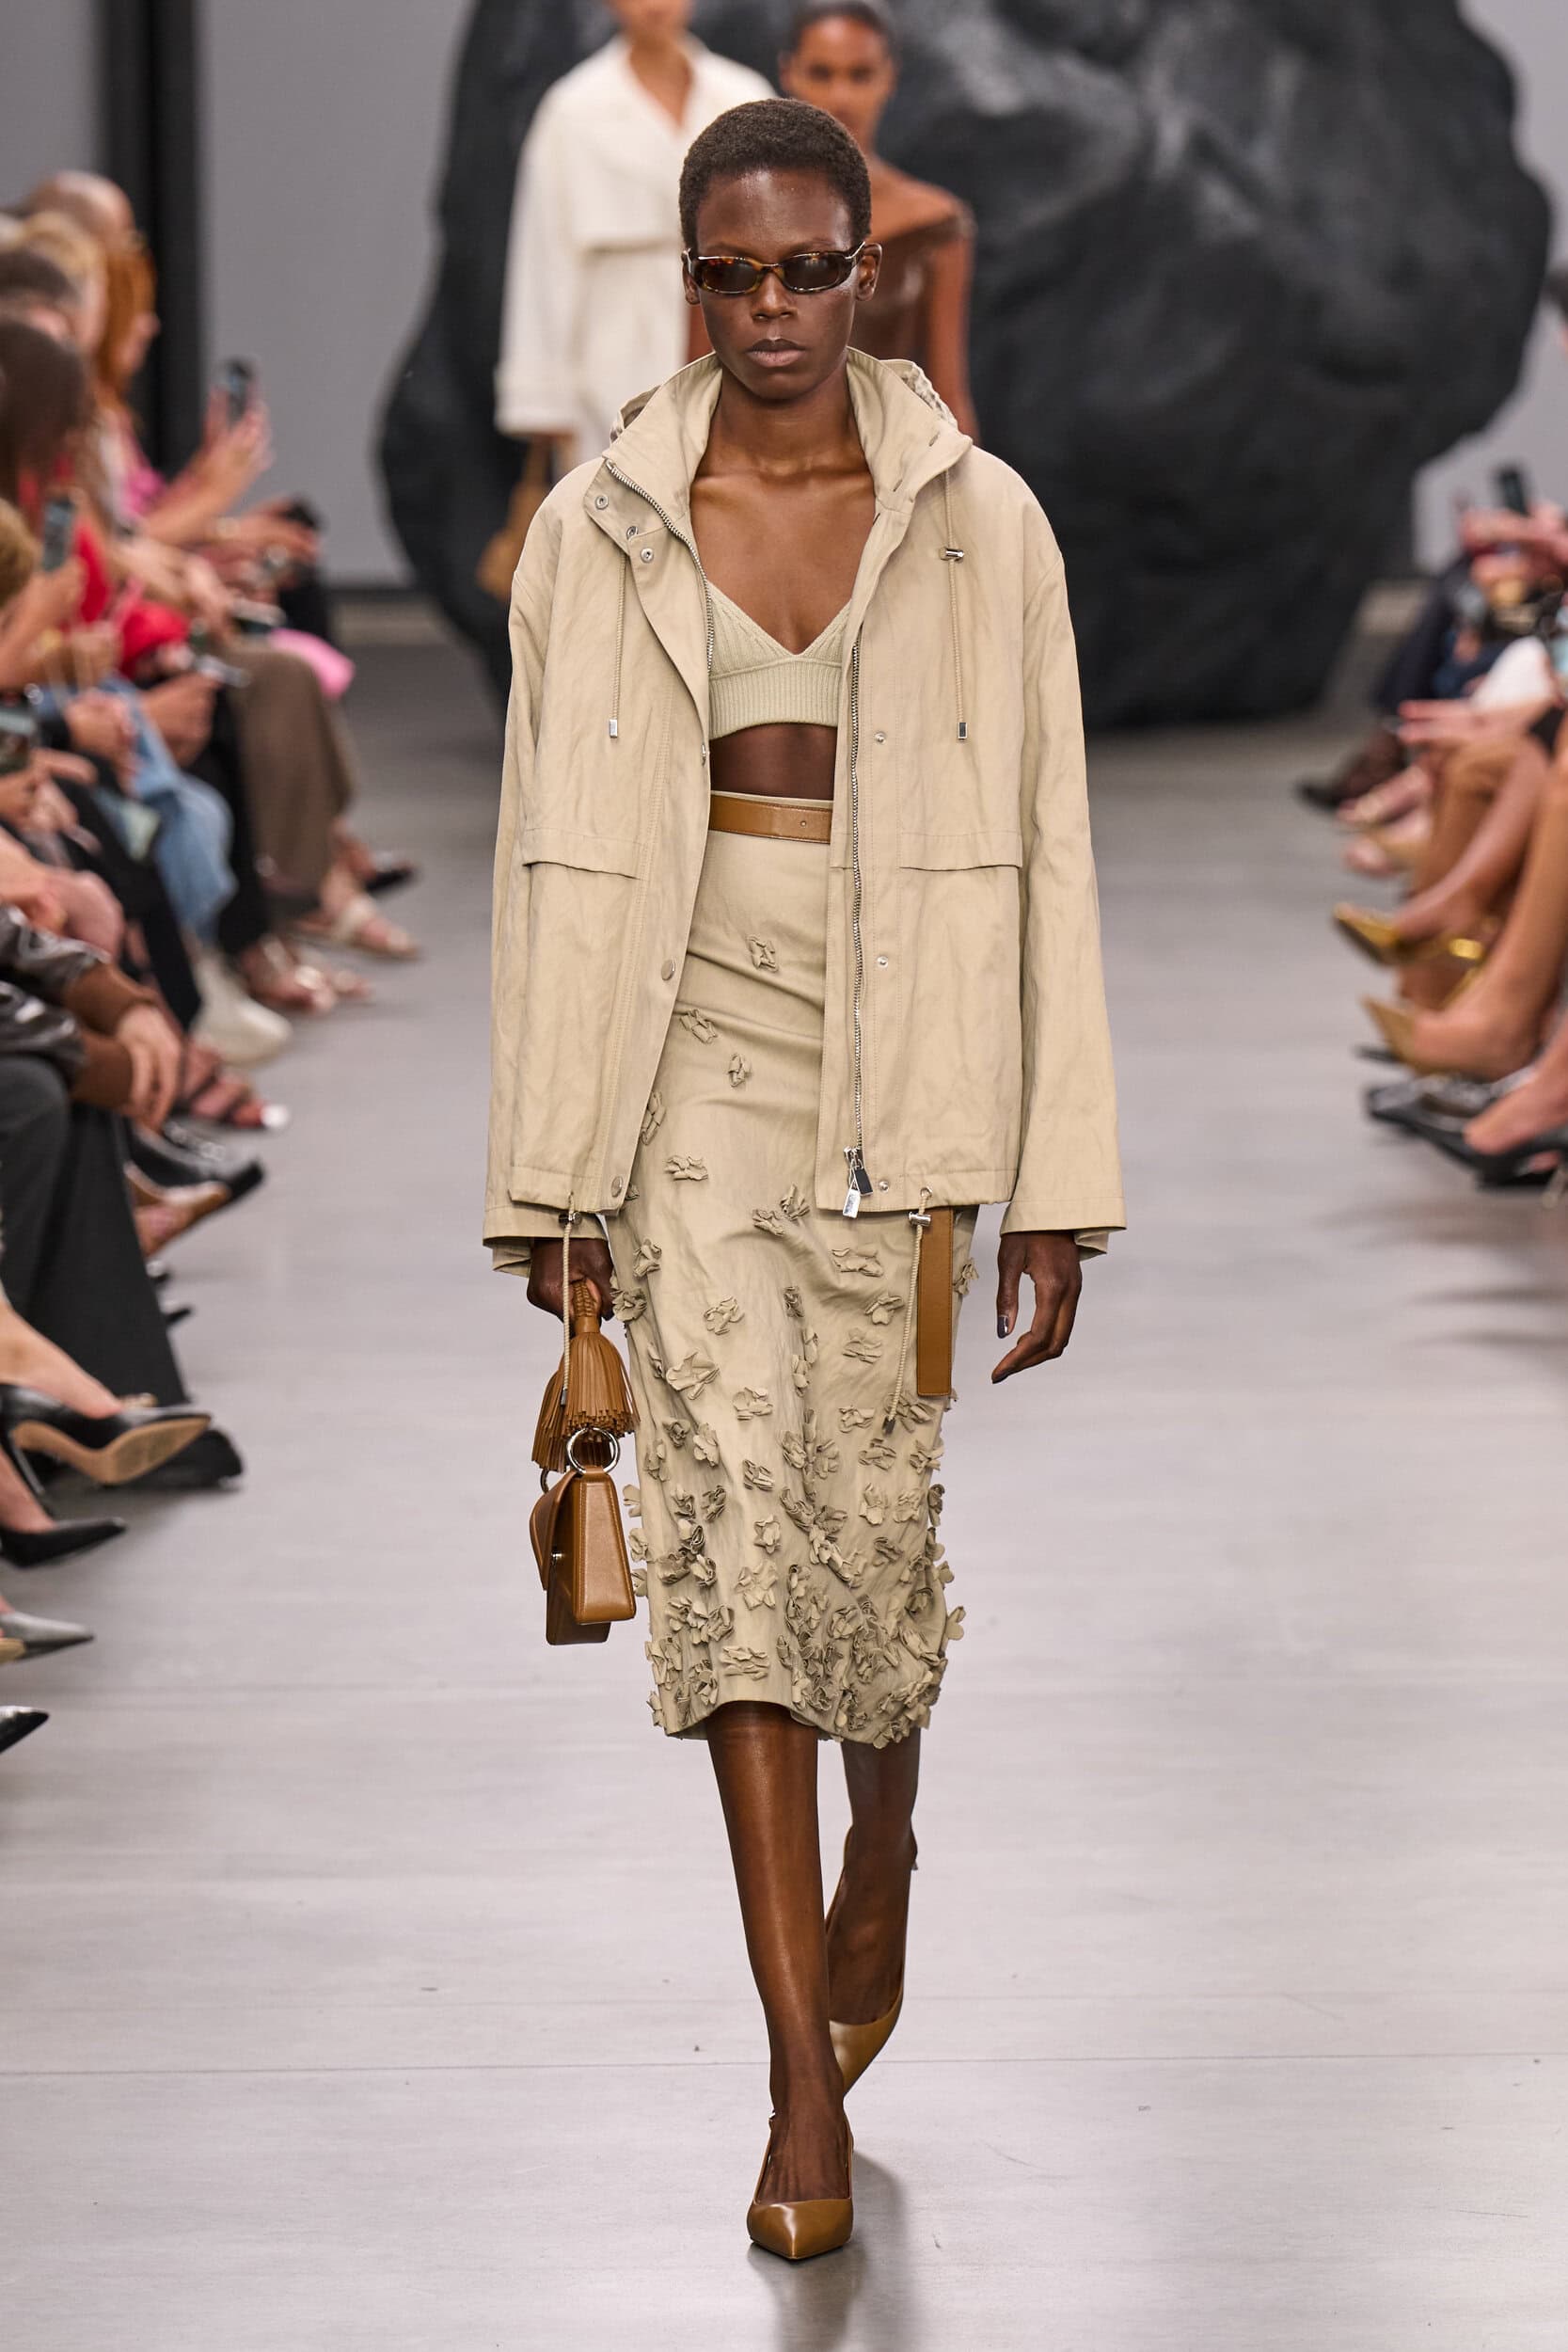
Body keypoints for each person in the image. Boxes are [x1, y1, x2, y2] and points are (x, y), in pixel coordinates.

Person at [487, 97, 1122, 2259]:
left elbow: (1049, 848)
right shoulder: (597, 527)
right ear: (689, 281)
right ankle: (790, 2072)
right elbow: (538, 866)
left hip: (902, 1052)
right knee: (733, 1551)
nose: (768, 310)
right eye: (729, 274)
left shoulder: (979, 520)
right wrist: (553, 1181)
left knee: (867, 1539)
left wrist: (1054, 1171)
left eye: (805, 270)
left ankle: (887, 1841)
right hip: (675, 1052)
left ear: (870, 270)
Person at [494, 0, 771, 462]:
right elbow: (544, 254)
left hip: (731, 327)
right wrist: (545, 394)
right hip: (611, 347)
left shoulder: (743, 96)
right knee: (618, 486)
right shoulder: (574, 108)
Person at [780, 0, 978, 437]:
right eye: (822, 73)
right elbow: (703, 375)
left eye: (860, 74)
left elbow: (948, 390)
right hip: (759, 459)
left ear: (889, 77)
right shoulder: (744, 212)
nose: (841, 96)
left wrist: (967, 479)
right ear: (789, 73)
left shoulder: (934, 222)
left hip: (886, 461)